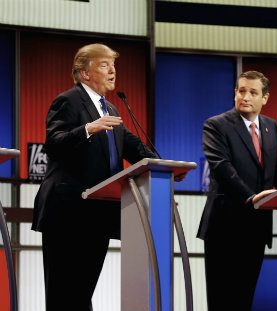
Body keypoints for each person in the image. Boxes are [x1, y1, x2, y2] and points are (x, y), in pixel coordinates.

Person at [31, 43, 180, 310]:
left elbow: (132, 146)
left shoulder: (110, 108)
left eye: (113, 65)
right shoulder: (68, 101)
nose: (112, 71)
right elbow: (53, 143)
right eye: (104, 65)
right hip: (68, 213)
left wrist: (164, 167)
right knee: (63, 294)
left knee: (82, 292)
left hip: (97, 214)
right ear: (84, 73)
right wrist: (88, 128)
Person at [197, 71, 277, 310]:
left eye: (253, 92)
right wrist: (250, 197)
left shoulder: (271, 126)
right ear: (235, 94)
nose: (246, 97)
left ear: (265, 98)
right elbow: (222, 168)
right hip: (225, 225)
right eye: (241, 91)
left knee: (244, 298)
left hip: (257, 226)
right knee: (222, 300)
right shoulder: (216, 125)